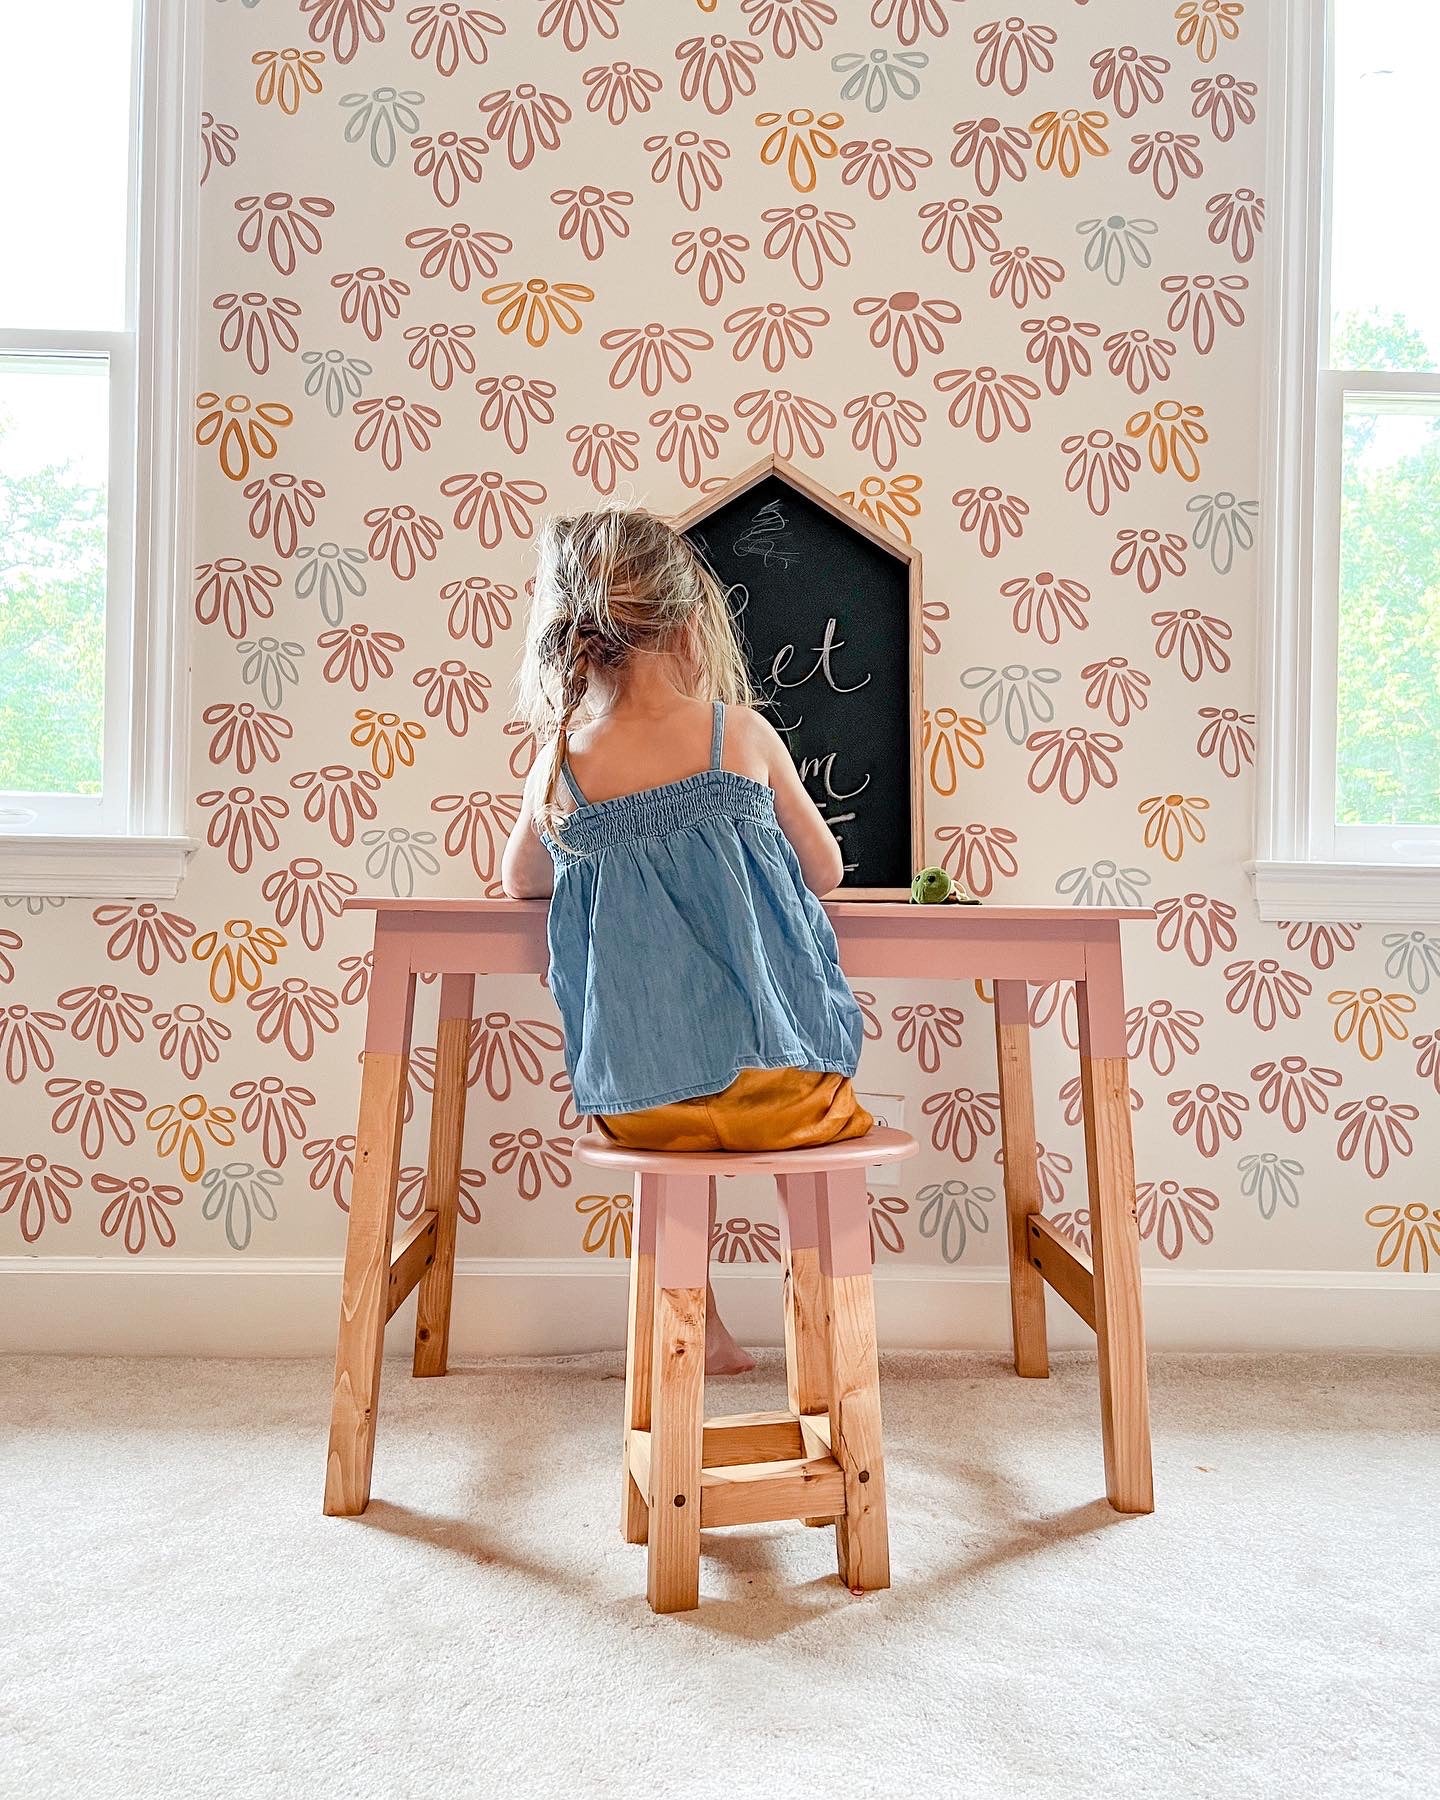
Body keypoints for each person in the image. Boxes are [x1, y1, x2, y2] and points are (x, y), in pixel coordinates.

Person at [502, 506, 871, 1374]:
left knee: (675, 1074)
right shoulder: (736, 734)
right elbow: (825, 870)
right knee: (791, 1087)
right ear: (686, 620)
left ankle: (694, 1323)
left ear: (572, 639)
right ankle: (814, 1314)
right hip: (784, 1093)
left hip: (642, 1109)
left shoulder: (560, 763)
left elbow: (521, 879)